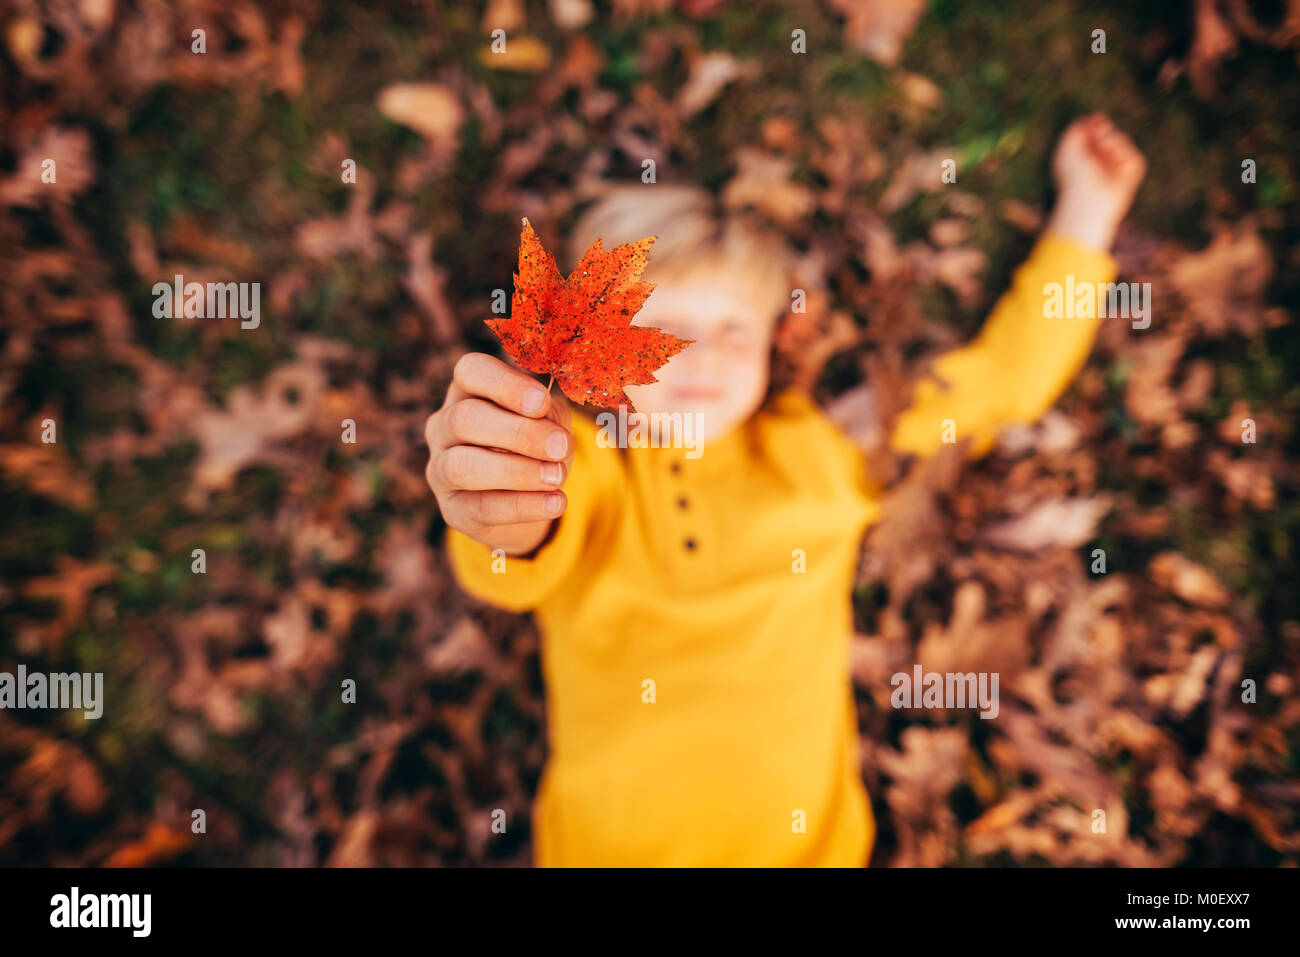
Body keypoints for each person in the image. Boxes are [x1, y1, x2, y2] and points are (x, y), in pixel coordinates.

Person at [424, 113, 1147, 866]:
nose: (702, 356)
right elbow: (513, 545)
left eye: (736, 329)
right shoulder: (589, 461)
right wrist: (495, 494)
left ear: (777, 341)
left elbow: (1002, 384)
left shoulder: (822, 452)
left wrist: (1087, 216)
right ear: (590, 347)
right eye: (662, 326)